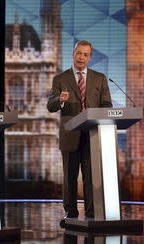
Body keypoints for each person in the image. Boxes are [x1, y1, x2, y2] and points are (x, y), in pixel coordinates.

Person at [47, 40, 112, 223]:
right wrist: (60, 99)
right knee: (70, 177)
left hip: (92, 135)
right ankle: (71, 212)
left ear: (90, 57)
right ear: (73, 54)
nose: (81, 57)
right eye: (79, 53)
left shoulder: (100, 78)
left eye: (85, 54)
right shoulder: (60, 78)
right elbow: (50, 106)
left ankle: (92, 213)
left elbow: (107, 105)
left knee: (91, 177)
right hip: (70, 135)